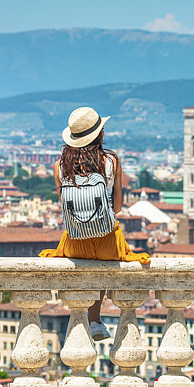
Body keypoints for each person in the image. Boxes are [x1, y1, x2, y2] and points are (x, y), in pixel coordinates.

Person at [39, 107, 150, 340]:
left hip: (74, 242)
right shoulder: (111, 162)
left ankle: (87, 319)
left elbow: (64, 207)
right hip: (107, 243)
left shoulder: (59, 167)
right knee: (103, 250)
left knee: (85, 253)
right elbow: (117, 207)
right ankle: (95, 320)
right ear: (99, 135)